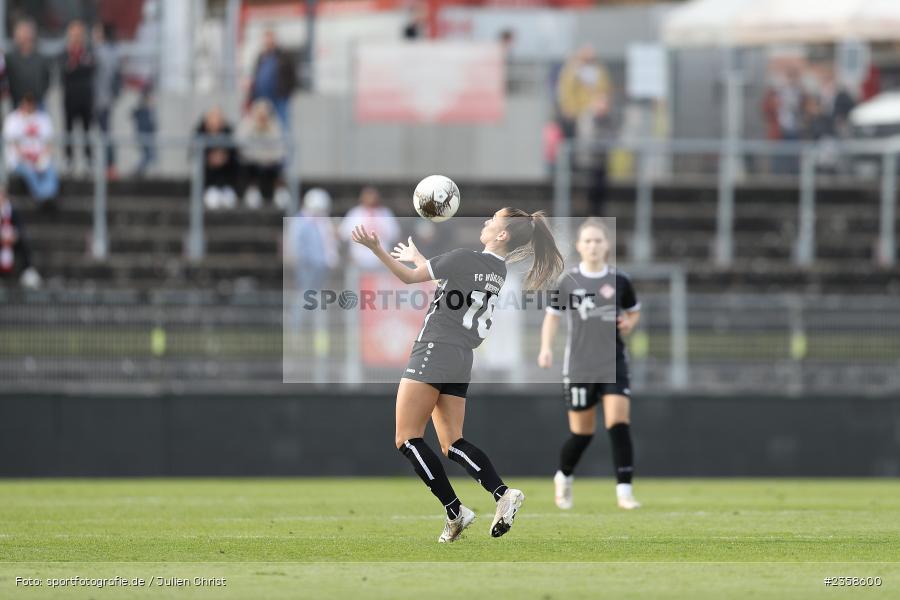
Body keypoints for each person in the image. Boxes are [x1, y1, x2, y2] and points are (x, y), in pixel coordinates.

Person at [351, 208, 564, 543]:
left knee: (407, 438)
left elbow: (409, 279)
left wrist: (376, 249)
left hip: (435, 347)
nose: (486, 222)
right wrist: (420, 258)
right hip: (462, 357)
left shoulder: (465, 257)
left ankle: (455, 510)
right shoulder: (497, 270)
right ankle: (502, 494)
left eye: (493, 220)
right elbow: (452, 284)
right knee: (452, 443)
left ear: (503, 234)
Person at [538, 219, 642, 511]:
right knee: (582, 433)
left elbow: (634, 312)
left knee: (618, 423)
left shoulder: (620, 280)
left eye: (598, 240)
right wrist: (545, 349)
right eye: (588, 241)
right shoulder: (568, 281)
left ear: (607, 245)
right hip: (580, 366)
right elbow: (552, 317)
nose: (593, 246)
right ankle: (564, 476)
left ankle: (624, 491)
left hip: (613, 363)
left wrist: (629, 323)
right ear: (579, 246)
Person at [3, 94, 58, 204]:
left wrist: (41, 159)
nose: (29, 105)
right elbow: (12, 143)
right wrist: (27, 160)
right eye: (27, 102)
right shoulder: (13, 119)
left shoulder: (43, 118)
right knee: (30, 172)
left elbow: (50, 143)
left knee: (51, 171)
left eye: (31, 102)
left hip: (40, 159)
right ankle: (43, 197)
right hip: (21, 161)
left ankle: (49, 196)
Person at [236, 99, 288, 209]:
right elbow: (242, 147)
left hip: (270, 162)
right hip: (252, 162)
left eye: (265, 113)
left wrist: (268, 158)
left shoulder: (275, 125)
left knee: (280, 166)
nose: (262, 116)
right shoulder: (247, 124)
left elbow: (280, 150)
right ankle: (252, 191)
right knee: (247, 166)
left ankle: (279, 192)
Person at [60, 20, 95, 171]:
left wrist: (75, 67)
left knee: (87, 129)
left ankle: (88, 159)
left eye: (79, 34)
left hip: (86, 97)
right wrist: (74, 66)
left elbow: (90, 69)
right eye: (73, 34)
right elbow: (64, 72)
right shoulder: (64, 53)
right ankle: (69, 159)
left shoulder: (88, 53)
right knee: (68, 129)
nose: (76, 37)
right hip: (70, 97)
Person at [339, 187, 401, 271]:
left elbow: (395, 234)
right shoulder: (355, 213)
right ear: (362, 197)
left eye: (373, 195)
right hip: (358, 260)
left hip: (381, 261)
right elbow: (343, 234)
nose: (371, 198)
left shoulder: (385, 213)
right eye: (368, 195)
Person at [249, 29, 297, 127]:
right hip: (262, 97)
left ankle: (286, 137)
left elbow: (292, 75)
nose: (268, 42)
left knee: (283, 123)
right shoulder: (261, 56)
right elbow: (256, 75)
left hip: (279, 97)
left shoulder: (283, 56)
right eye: (266, 39)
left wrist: (287, 93)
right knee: (260, 125)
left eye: (270, 39)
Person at [195, 106, 239, 210]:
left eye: (218, 118)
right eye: (213, 118)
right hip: (208, 178)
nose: (216, 122)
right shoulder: (200, 133)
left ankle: (227, 189)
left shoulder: (228, 133)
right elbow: (193, 153)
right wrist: (209, 158)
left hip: (226, 177)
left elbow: (235, 153)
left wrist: (224, 157)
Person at [93, 22, 121, 179]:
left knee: (104, 133)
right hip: (105, 99)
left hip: (99, 99)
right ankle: (109, 165)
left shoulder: (99, 52)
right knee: (106, 132)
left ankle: (108, 166)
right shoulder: (113, 51)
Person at [0, 186, 41, 288]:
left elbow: (20, 227)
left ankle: (28, 271)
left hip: (12, 241)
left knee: (24, 242)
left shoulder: (13, 211)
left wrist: (14, 236)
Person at [5, 20, 52, 108]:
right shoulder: (10, 58)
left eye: (27, 32)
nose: (25, 36)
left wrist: (37, 96)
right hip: (17, 104)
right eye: (22, 32)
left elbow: (46, 79)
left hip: (37, 103)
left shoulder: (41, 58)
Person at [132, 83, 157, 177]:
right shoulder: (143, 110)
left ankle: (139, 171)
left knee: (150, 155)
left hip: (146, 135)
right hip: (144, 135)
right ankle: (138, 170)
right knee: (149, 155)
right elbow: (146, 125)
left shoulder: (147, 109)